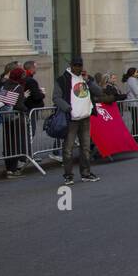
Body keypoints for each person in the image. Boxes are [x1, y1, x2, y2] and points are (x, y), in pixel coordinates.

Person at [54, 56, 98, 185]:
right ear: (71, 66)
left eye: (80, 66)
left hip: (85, 118)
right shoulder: (62, 80)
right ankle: (68, 175)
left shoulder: (85, 79)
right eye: (76, 66)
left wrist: (88, 80)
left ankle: (86, 173)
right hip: (71, 119)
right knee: (68, 148)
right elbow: (56, 97)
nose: (79, 68)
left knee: (85, 148)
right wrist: (68, 108)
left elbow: (99, 91)